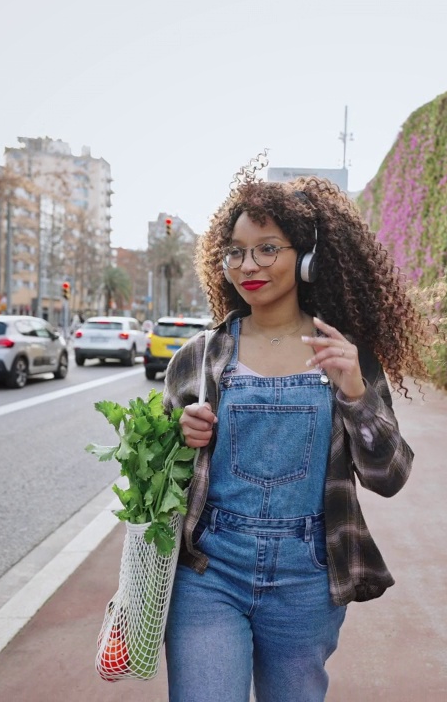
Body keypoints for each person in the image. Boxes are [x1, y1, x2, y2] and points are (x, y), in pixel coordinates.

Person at [161, 168, 428, 702]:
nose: (248, 266)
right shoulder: (201, 356)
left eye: (267, 249)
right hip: (208, 568)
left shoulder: (344, 356)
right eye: (235, 252)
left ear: (306, 257)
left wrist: (354, 392)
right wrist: (180, 441)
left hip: (307, 576)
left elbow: (390, 476)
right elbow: (159, 473)